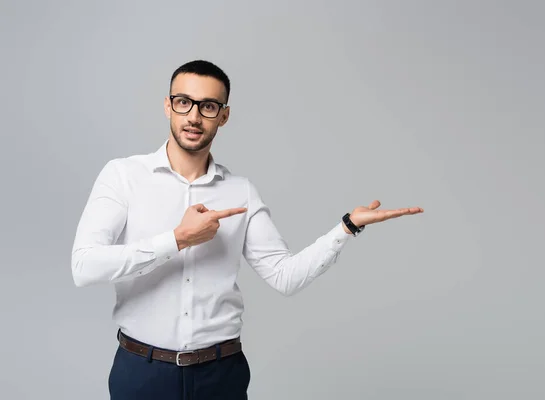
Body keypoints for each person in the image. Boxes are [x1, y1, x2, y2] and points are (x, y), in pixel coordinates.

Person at [71, 59, 424, 399]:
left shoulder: (240, 191)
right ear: (168, 106)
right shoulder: (123, 176)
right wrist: (177, 239)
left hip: (220, 375)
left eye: (208, 106)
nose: (194, 116)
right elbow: (84, 266)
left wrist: (346, 228)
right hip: (142, 373)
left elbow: (285, 277)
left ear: (223, 116)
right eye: (184, 103)